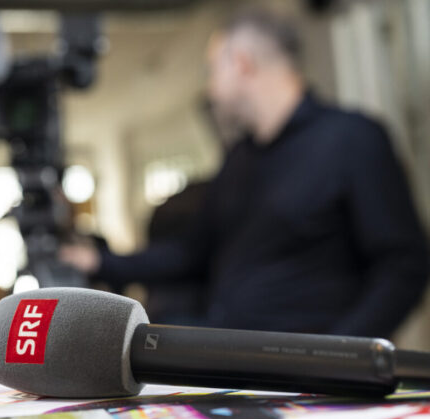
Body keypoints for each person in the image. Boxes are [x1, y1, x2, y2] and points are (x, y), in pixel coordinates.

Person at [61, 9, 429, 338]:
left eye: (212, 71)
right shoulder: (240, 158)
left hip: (314, 377)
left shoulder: (351, 138)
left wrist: (344, 355)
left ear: (241, 62)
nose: (211, 90)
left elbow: (403, 265)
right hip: (237, 362)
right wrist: (101, 262)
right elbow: (191, 252)